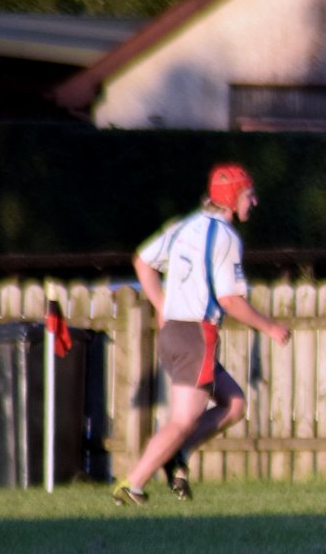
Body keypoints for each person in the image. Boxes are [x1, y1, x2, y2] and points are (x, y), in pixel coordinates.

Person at [112, 164, 291, 505]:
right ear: (232, 197)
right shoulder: (226, 237)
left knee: (234, 403)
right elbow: (230, 300)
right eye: (249, 195)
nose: (254, 201)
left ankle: (178, 455)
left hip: (175, 333)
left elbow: (141, 262)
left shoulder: (183, 225)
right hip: (196, 333)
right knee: (182, 421)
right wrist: (270, 327)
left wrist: (162, 306)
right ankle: (132, 484)